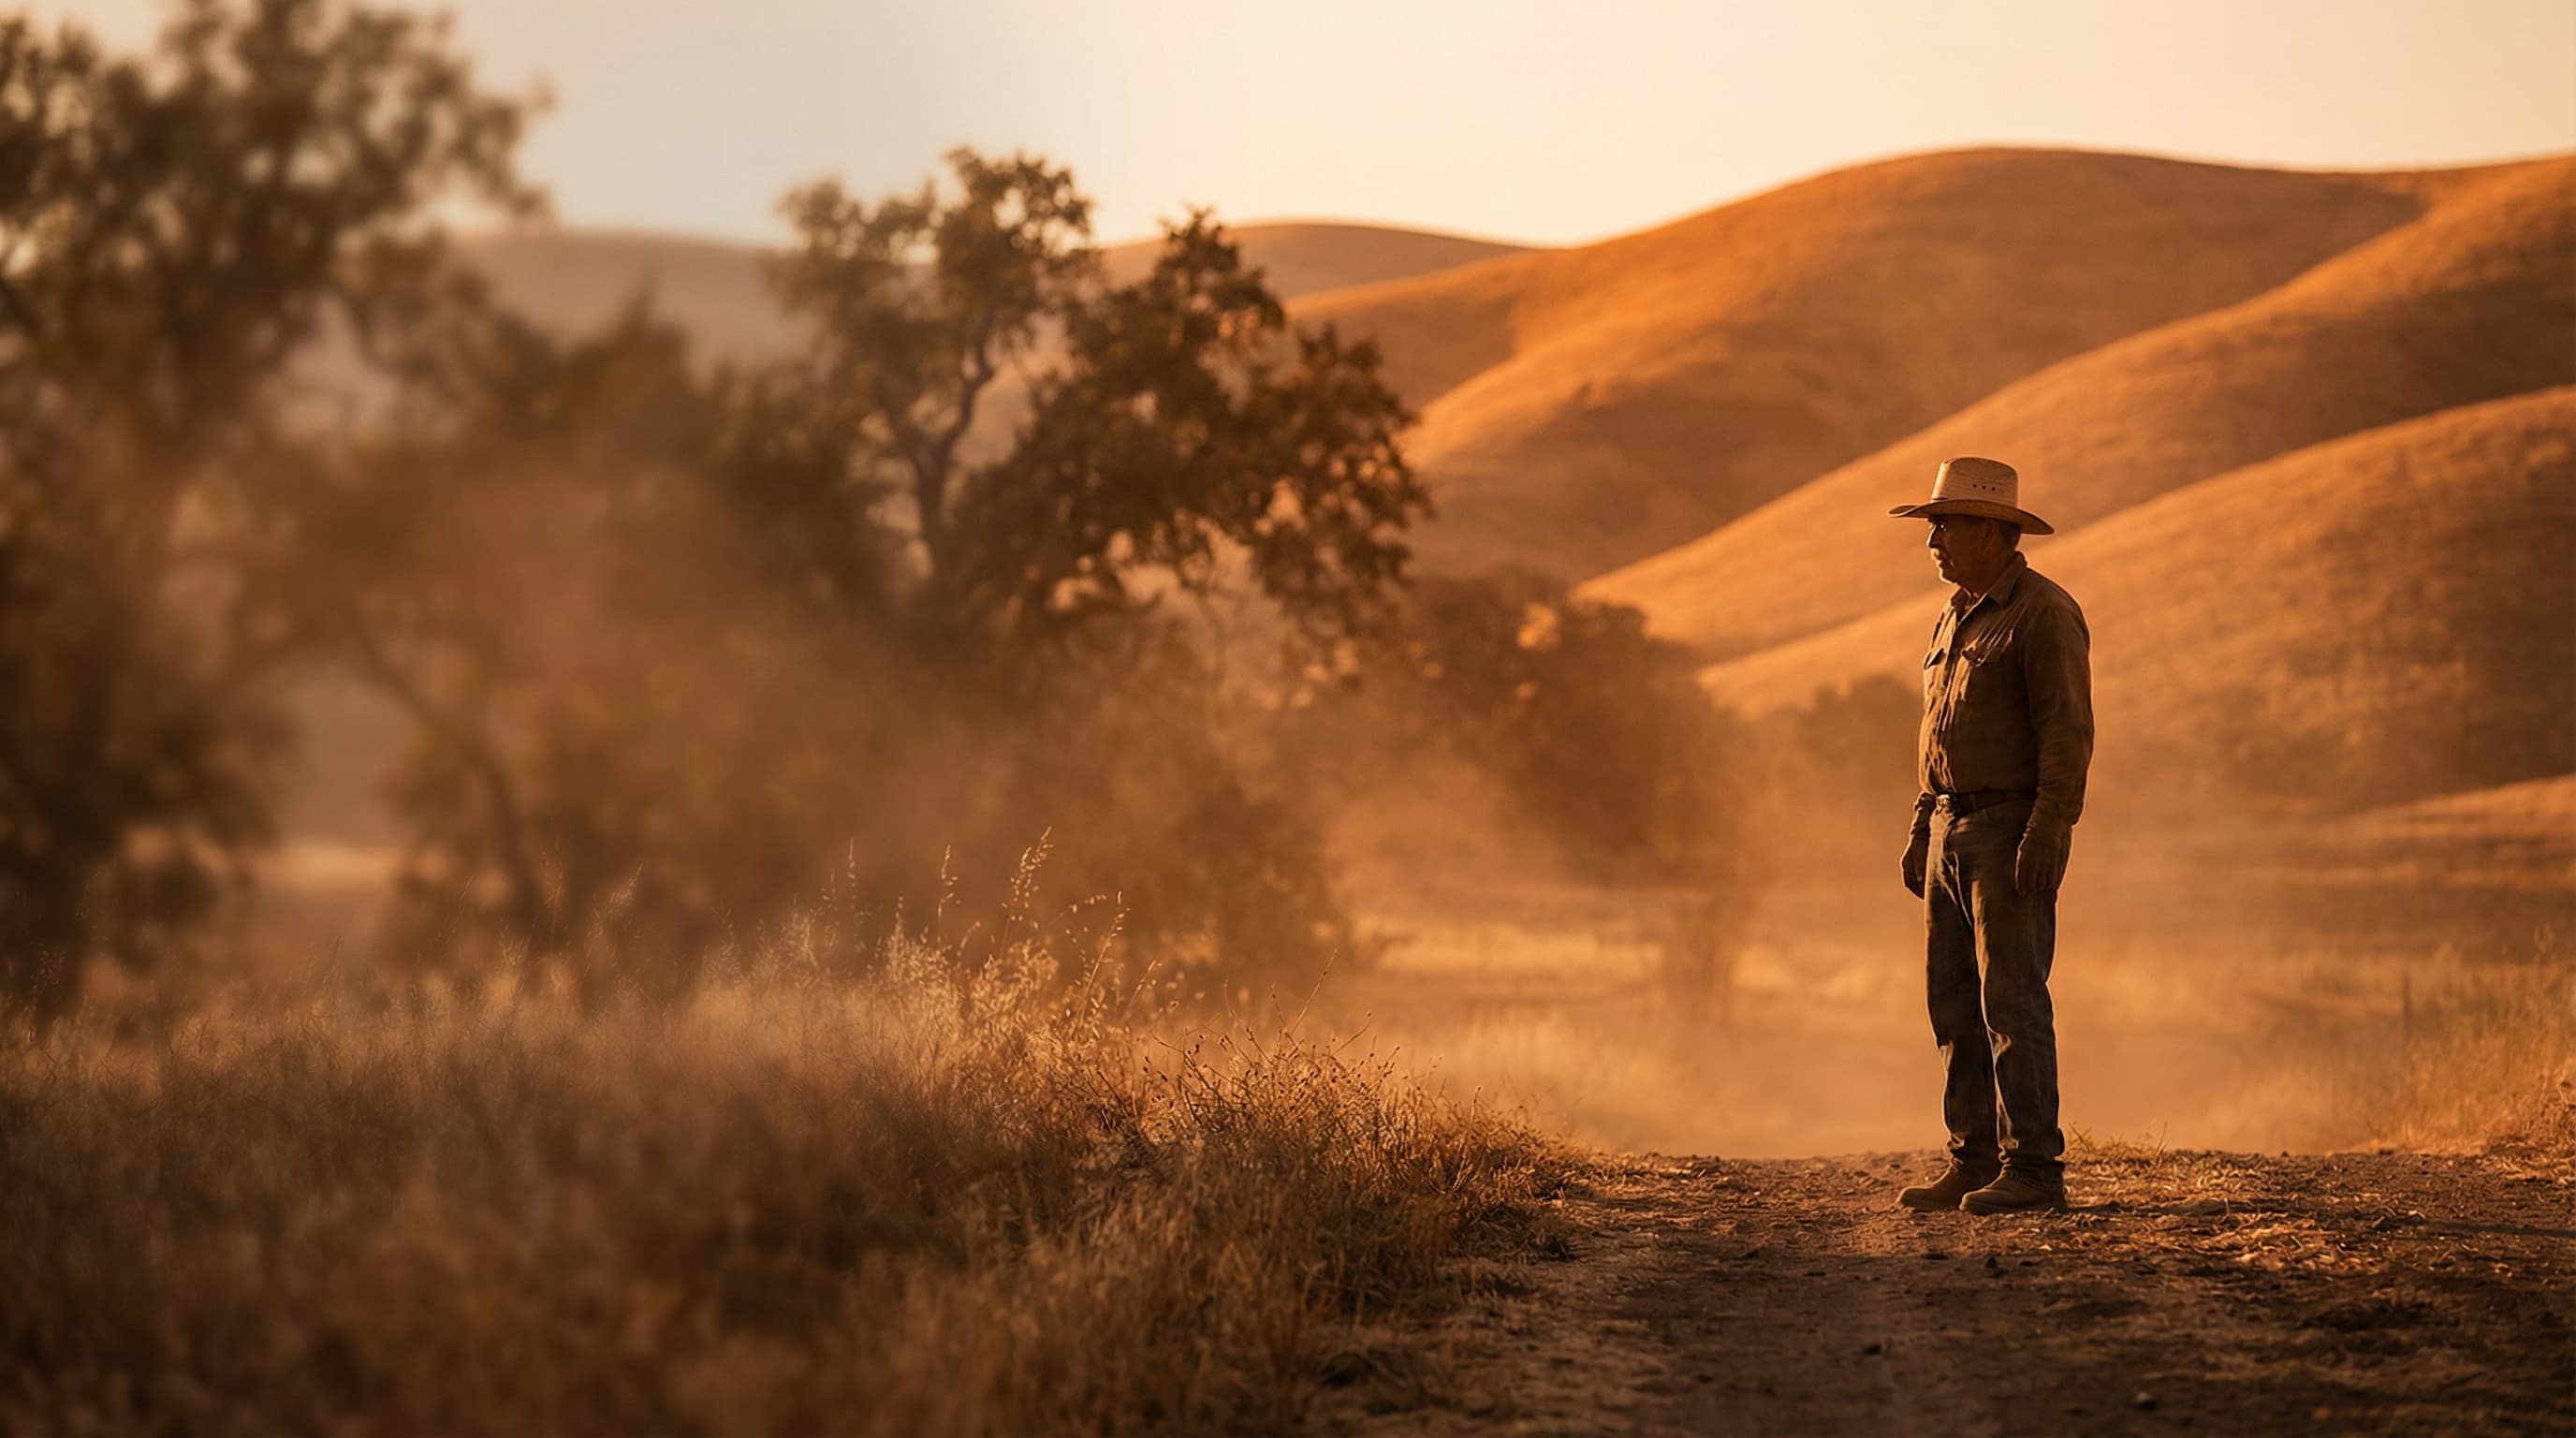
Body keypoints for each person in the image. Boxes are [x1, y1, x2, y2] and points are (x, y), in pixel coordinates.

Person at [1886, 457, 2093, 1215]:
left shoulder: (2044, 614)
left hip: (2007, 828)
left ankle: (2035, 1169)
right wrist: (1922, 824)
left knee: (2011, 1001)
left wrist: (2048, 830)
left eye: (1943, 525)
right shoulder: (1955, 613)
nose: (1933, 539)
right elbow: (1940, 734)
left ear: (1989, 530)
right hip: (1949, 825)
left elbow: (2066, 734)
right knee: (1953, 1004)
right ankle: (1973, 1160)